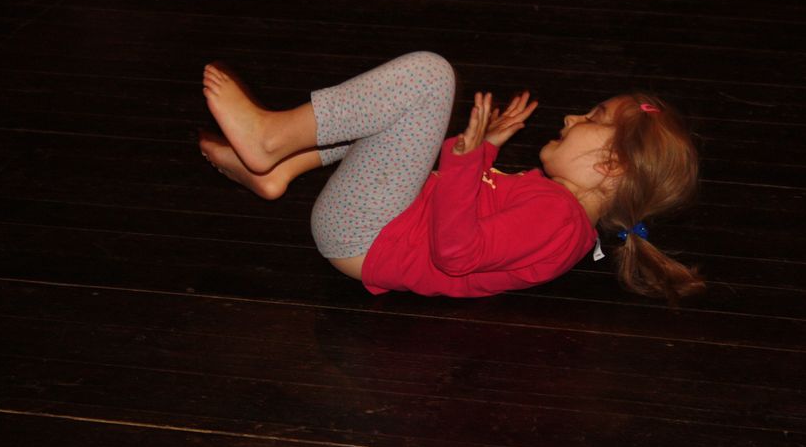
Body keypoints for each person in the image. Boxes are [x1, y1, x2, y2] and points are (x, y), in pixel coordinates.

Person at [199, 51, 704, 303]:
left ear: (609, 166)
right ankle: (280, 168)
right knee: (399, 120)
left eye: (593, 118)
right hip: (378, 229)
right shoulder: (557, 212)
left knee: (429, 77)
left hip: (370, 237)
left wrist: (466, 158)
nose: (573, 118)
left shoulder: (559, 221)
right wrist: (485, 150)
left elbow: (456, 252)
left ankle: (270, 140)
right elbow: (471, 211)